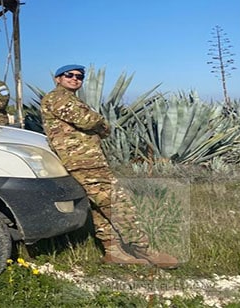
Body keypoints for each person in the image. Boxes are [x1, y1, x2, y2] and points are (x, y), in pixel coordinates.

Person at [40, 64, 178, 268]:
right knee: (117, 202)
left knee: (101, 205)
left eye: (79, 76)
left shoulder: (70, 99)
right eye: (69, 75)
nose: (75, 79)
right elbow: (87, 120)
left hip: (86, 160)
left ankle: (113, 251)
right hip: (83, 161)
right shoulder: (58, 98)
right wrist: (103, 123)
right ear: (58, 78)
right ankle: (144, 248)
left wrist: (97, 123)